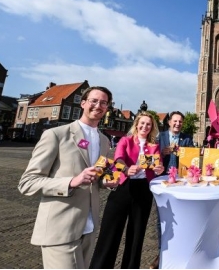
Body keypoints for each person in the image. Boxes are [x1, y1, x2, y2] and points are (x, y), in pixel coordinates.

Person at [18, 86, 119, 269]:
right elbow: (27, 182)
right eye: (94, 101)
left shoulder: (104, 141)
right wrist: (72, 181)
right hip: (60, 227)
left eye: (103, 103)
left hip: (89, 227)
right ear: (83, 103)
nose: (98, 105)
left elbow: (95, 178)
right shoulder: (56, 135)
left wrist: (106, 182)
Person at [90, 111, 164, 269]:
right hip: (123, 187)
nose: (145, 126)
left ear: (152, 128)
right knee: (110, 231)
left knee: (137, 234)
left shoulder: (154, 146)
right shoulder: (126, 140)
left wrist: (159, 169)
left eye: (148, 124)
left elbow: (158, 167)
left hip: (143, 189)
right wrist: (126, 169)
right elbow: (118, 158)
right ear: (136, 124)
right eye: (142, 123)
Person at [150, 111, 194, 269]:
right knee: (162, 216)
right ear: (169, 122)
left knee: (182, 215)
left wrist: (185, 154)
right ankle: (162, 251)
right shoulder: (159, 137)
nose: (178, 124)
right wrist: (161, 153)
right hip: (163, 180)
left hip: (181, 181)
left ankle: (180, 250)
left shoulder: (187, 138)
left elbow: (193, 159)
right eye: (175, 121)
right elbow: (152, 157)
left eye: (180, 122)